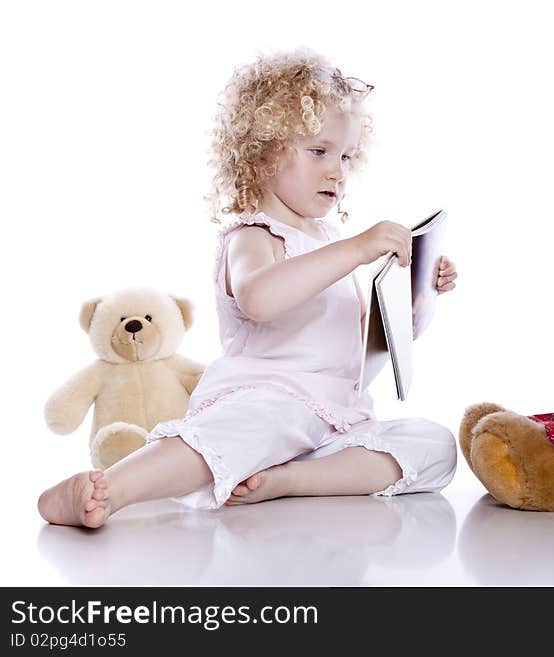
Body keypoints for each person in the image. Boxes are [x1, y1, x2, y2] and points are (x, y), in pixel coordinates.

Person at [38, 50, 459, 528]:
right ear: (261, 152)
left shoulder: (330, 244)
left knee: (435, 446)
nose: (337, 171)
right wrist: (357, 250)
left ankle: (285, 480)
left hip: (334, 420)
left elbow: (368, 343)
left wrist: (418, 300)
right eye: (319, 151)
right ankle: (110, 491)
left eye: (345, 155)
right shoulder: (254, 236)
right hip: (266, 403)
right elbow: (260, 299)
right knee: (243, 433)